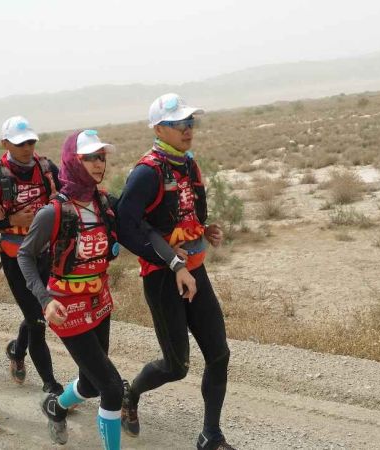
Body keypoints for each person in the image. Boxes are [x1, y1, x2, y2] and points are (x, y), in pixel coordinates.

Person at [116, 93, 234, 450]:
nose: (187, 129)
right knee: (176, 366)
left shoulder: (187, 164)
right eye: (179, 123)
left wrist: (203, 229)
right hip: (163, 278)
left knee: (219, 355)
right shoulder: (146, 172)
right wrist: (169, 259)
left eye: (190, 122)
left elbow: (182, 212)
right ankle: (131, 394)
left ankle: (210, 435)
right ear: (158, 128)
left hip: (195, 272)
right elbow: (126, 225)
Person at [18, 130, 122, 448]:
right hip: (67, 307)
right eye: (90, 157)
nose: (99, 163)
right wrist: (45, 300)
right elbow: (25, 255)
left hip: (99, 300)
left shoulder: (103, 203)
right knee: (112, 387)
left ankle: (56, 406)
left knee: (91, 383)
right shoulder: (53, 212)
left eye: (101, 156)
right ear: (73, 162)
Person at [0, 116, 64, 394]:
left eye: (30, 142)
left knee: (36, 311)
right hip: (15, 257)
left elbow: (66, 197)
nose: (27, 148)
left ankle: (16, 350)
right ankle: (50, 384)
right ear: (5, 144)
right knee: (38, 319)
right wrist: (9, 219)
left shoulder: (47, 168)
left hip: (46, 253)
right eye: (20, 143)